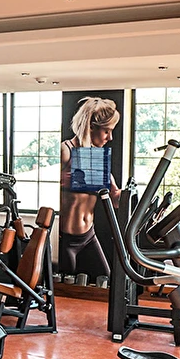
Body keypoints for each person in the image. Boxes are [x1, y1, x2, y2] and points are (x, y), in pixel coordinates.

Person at [56, 97, 121, 278]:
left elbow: (115, 199)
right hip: (66, 239)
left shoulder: (97, 158)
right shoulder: (66, 150)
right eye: (106, 131)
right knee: (65, 288)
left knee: (106, 280)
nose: (110, 138)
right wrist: (62, 181)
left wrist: (129, 195)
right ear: (91, 127)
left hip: (88, 236)